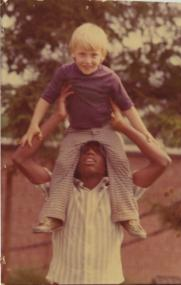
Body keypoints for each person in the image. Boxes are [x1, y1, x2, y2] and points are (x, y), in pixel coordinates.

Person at [20, 22, 164, 238]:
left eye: (93, 55)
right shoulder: (65, 73)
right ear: (73, 54)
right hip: (77, 130)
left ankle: (128, 216)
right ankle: (54, 215)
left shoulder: (110, 78)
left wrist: (144, 132)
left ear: (103, 55)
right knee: (62, 165)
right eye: (82, 55)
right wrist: (34, 124)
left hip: (105, 128)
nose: (88, 61)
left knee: (120, 165)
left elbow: (128, 107)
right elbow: (46, 98)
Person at [12, 90, 171, 284]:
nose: (89, 154)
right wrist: (57, 116)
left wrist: (124, 127)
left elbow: (162, 162)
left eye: (97, 151)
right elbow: (20, 158)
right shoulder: (58, 188)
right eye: (84, 151)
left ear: (108, 161)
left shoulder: (123, 190)